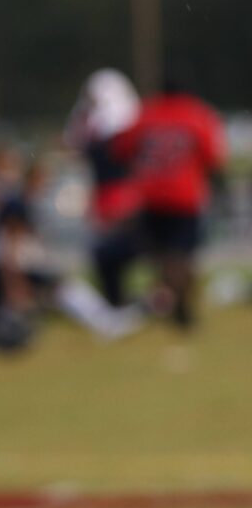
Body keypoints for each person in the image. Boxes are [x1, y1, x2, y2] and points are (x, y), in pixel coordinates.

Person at [113, 71, 227, 329]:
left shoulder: (146, 114)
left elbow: (121, 149)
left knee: (162, 254)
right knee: (182, 255)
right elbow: (214, 157)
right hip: (186, 196)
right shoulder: (198, 115)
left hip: (151, 195)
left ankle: (171, 303)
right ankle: (181, 307)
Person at [64, 69, 144, 308]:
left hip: (119, 195)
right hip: (106, 195)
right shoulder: (96, 122)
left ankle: (118, 297)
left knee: (114, 249)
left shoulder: (109, 124)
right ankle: (116, 298)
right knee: (107, 252)